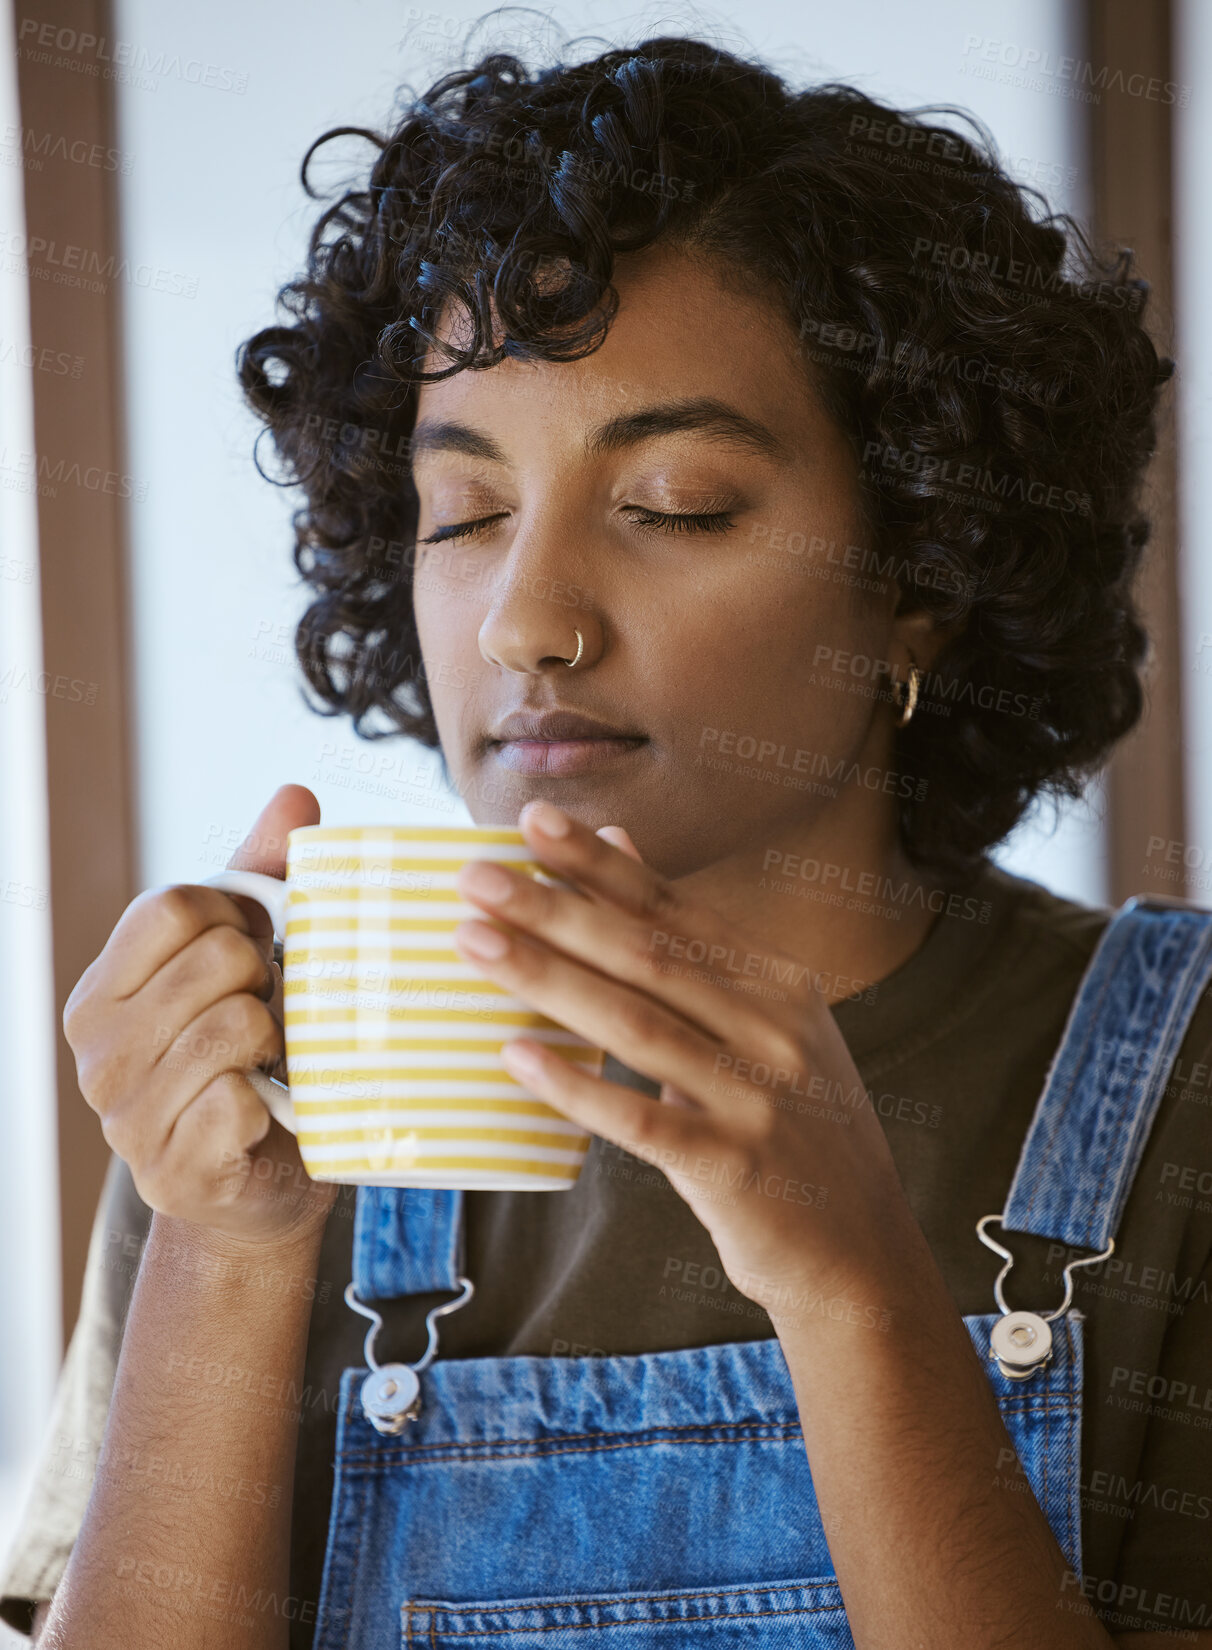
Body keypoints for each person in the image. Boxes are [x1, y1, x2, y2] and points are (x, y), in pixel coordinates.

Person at [4, 32, 1211, 1650]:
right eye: (464, 516)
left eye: (678, 504)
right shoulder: (265, 1091)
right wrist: (226, 1252)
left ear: (924, 568)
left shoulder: (1183, 1083)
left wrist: (854, 1297)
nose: (527, 622)